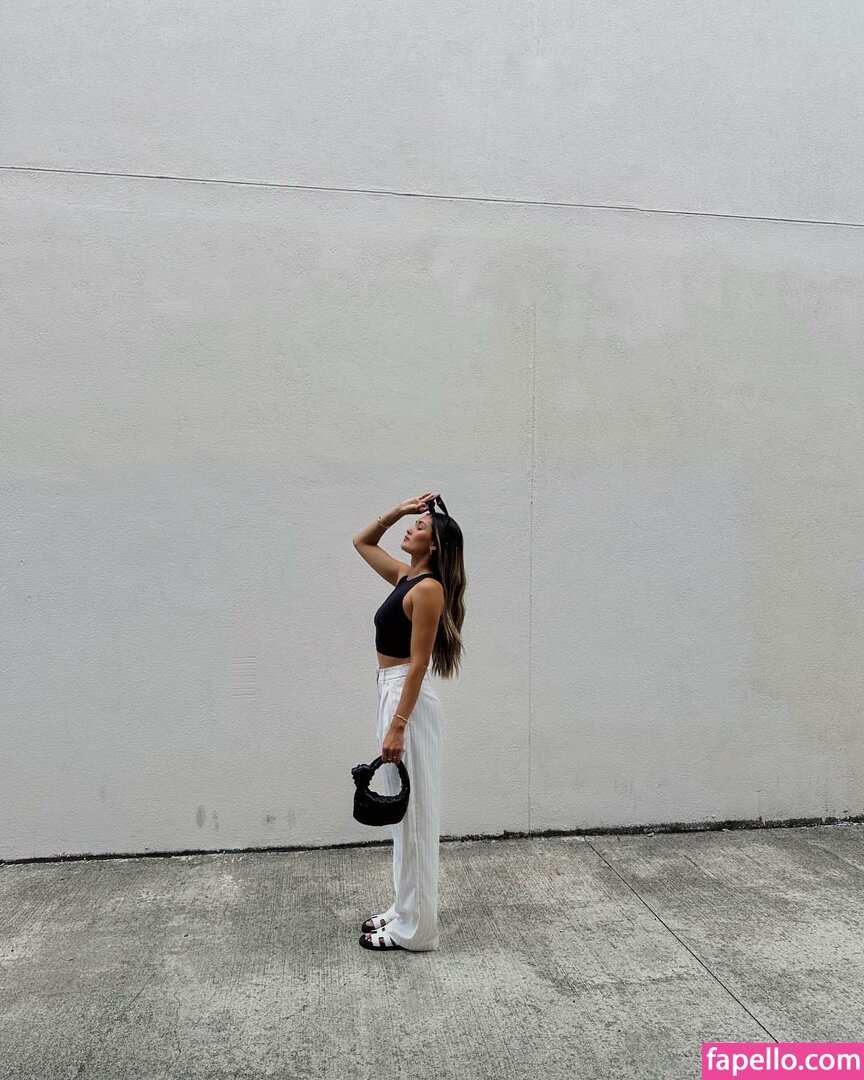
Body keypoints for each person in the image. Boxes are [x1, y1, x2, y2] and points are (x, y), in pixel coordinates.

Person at [352, 492, 466, 950]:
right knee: (404, 819)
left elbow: (419, 664)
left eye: (419, 527)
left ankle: (417, 931)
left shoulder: (429, 589)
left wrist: (398, 724)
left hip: (407, 701)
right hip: (394, 694)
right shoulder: (406, 578)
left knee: (415, 819)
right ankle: (405, 909)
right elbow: (362, 542)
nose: (410, 528)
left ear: (434, 545)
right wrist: (399, 510)